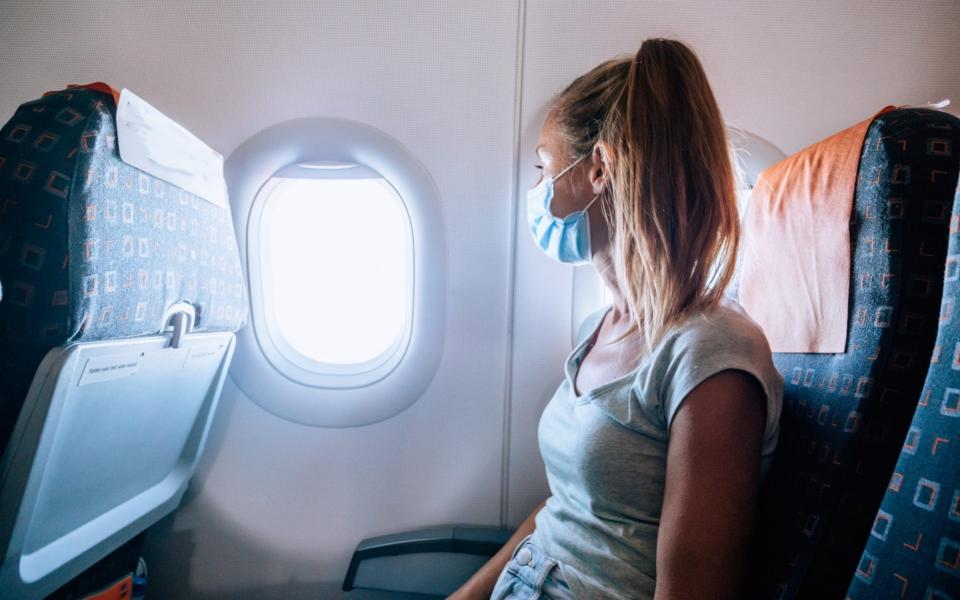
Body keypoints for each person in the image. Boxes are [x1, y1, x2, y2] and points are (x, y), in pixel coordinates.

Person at [447, 38, 784, 600]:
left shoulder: (711, 353)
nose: (536, 191)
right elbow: (565, 511)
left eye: (545, 167)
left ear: (599, 168)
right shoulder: (596, 330)